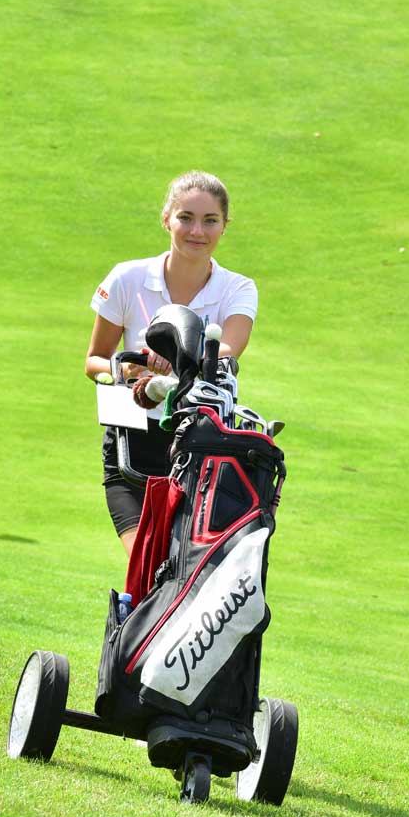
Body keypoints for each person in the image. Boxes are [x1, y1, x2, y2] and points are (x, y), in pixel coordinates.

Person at [86, 171, 258, 554]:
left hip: (200, 444)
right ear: (167, 218)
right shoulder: (127, 278)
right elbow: (95, 360)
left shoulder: (238, 288)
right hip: (130, 441)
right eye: (186, 217)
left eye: (210, 220)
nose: (197, 230)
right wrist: (125, 369)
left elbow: (230, 347)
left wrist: (178, 355)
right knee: (145, 565)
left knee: (184, 570)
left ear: (224, 226)